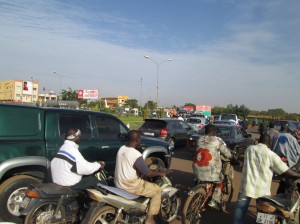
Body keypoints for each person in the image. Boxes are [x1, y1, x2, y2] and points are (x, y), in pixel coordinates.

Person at [232, 134, 300, 224]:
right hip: (262, 190)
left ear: (259, 141)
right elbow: (286, 171)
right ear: (270, 143)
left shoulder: (249, 149)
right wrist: (297, 175)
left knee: (240, 208)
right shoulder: (271, 155)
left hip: (246, 186)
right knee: (264, 211)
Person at [114, 130, 165, 224]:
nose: (140, 140)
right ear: (137, 140)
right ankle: (150, 219)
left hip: (118, 183)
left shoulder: (121, 148)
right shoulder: (135, 154)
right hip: (130, 186)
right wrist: (158, 173)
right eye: (140, 138)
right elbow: (147, 173)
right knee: (157, 190)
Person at [192, 124, 232, 210]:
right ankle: (214, 200)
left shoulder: (199, 139)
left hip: (196, 167)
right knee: (221, 180)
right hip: (211, 169)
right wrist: (232, 158)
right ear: (214, 132)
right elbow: (227, 153)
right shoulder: (216, 141)